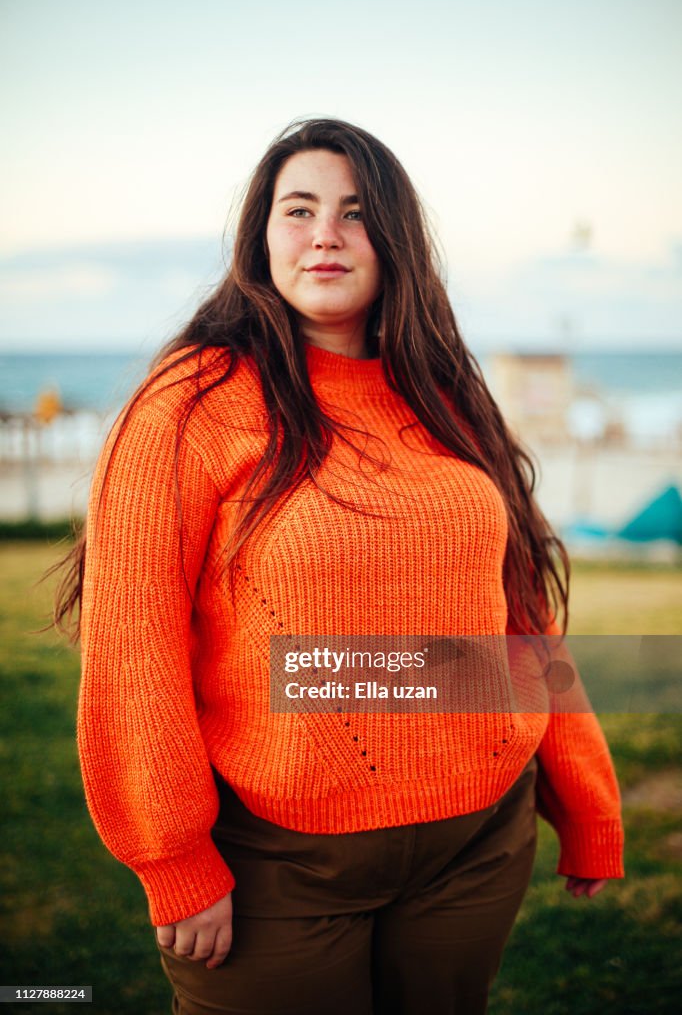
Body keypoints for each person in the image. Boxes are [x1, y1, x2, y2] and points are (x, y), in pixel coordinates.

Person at [56, 117, 624, 1015]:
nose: (326, 233)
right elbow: (133, 639)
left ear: (393, 241)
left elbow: (517, 617)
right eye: (300, 209)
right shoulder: (191, 402)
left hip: (477, 844)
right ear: (262, 237)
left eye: (356, 213)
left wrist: (586, 799)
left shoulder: (448, 399)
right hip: (278, 864)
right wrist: (173, 856)